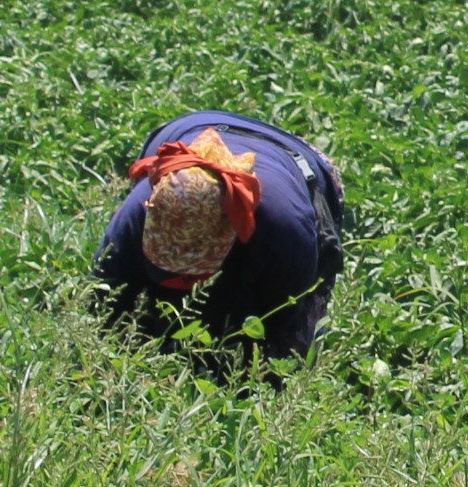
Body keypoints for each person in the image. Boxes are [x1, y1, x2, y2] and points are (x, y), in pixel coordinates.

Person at [95, 113, 346, 363]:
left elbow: (279, 321)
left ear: (232, 235)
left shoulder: (286, 235)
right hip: (194, 125)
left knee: (287, 351)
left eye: (191, 274)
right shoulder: (139, 209)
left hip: (297, 158)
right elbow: (102, 304)